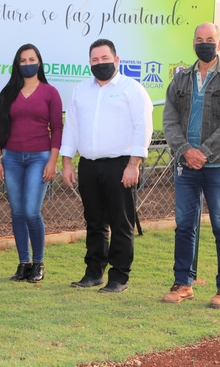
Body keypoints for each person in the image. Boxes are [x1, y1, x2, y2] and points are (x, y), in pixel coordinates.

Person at [161, 23, 220, 309]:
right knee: (185, 225)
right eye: (199, 39)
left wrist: (205, 153)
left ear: (219, 44)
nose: (204, 44)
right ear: (193, 43)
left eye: (210, 39)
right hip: (186, 165)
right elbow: (169, 119)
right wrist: (186, 151)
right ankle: (183, 284)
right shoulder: (180, 79)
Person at [60, 39, 153, 293]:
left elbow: (143, 128)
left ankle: (119, 277)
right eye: (95, 59)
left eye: (104, 58)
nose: (99, 63)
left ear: (116, 60)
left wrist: (133, 165)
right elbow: (71, 128)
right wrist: (67, 162)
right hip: (88, 166)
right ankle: (93, 273)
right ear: (89, 62)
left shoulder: (132, 89)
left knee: (121, 222)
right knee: (94, 221)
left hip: (121, 166)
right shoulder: (80, 91)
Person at [0, 44, 63, 283]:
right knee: (17, 212)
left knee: (32, 212)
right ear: (17, 64)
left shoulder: (50, 92)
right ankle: (24, 263)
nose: (27, 64)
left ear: (39, 62)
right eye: (22, 60)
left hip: (39, 158)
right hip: (11, 159)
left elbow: (57, 128)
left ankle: (39, 263)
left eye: (31, 59)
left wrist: (53, 161)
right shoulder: (8, 92)